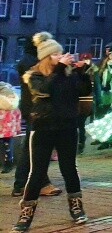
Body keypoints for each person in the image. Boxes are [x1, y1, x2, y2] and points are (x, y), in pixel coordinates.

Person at [12, 32, 91, 232]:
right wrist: (60, 69)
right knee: (37, 172)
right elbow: (45, 90)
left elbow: (83, 91)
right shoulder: (34, 75)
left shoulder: (67, 74)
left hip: (67, 127)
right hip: (43, 128)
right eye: (56, 55)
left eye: (60, 54)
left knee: (69, 168)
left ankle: (77, 208)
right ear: (47, 57)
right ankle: (26, 214)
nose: (61, 57)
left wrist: (83, 73)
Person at [11, 37, 58, 199]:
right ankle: (35, 183)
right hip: (35, 109)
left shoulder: (28, 60)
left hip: (32, 108)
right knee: (35, 148)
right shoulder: (31, 62)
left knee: (32, 148)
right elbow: (42, 86)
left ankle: (23, 184)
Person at [0, 81, 20, 173]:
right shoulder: (12, 93)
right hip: (8, 127)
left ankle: (7, 164)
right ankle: (8, 163)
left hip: (3, 125)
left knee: (6, 144)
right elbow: (17, 113)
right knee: (7, 145)